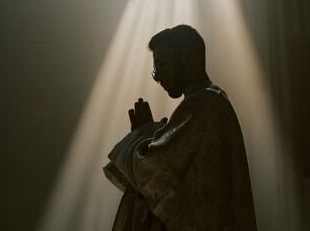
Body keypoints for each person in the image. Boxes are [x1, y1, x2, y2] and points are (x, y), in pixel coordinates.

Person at [103, 24, 257, 230]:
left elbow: (155, 172)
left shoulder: (205, 103)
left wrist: (142, 134)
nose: (157, 77)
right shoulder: (208, 103)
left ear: (189, 57)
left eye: (162, 64)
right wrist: (154, 135)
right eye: (154, 70)